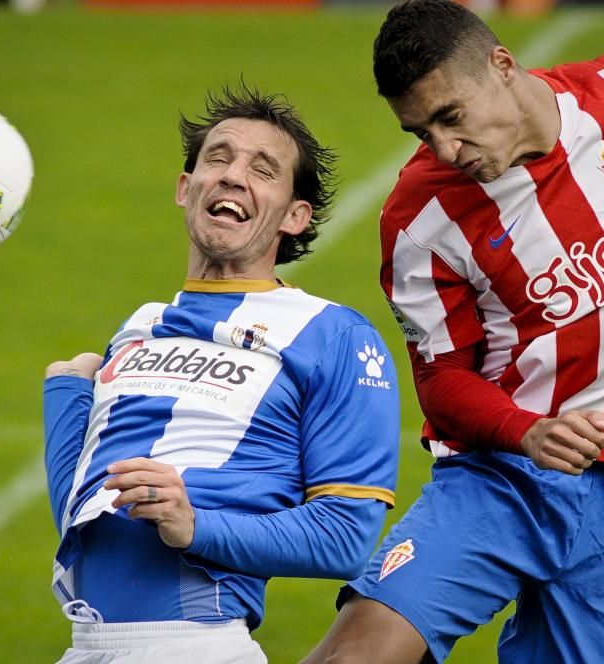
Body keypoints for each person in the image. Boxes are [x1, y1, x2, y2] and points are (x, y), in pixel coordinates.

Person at [304, 1, 604, 663]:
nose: (444, 149)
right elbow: (442, 382)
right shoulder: (420, 214)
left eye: (450, 118)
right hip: (502, 480)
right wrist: (529, 431)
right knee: (355, 656)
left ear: (501, 66)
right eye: (421, 131)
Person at [43, 85, 400, 664]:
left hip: (193, 645)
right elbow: (83, 508)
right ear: (186, 189)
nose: (234, 176)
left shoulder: (333, 336)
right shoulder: (140, 327)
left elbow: (347, 537)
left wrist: (196, 525)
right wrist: (64, 394)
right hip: (86, 645)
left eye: (263, 170)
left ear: (294, 216)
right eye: (218, 157)